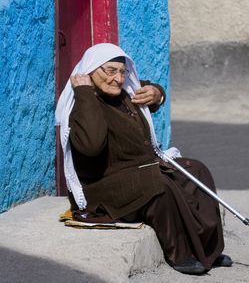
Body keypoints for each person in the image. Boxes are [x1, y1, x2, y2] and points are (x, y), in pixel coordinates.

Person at [55, 43, 232, 275]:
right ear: (90, 71)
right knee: (160, 184)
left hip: (141, 170)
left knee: (196, 170)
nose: (117, 79)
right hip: (105, 187)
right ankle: (180, 254)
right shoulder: (83, 104)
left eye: (122, 72)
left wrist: (158, 93)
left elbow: (149, 90)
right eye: (110, 71)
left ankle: (207, 248)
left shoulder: (124, 93)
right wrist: (85, 93)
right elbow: (91, 146)